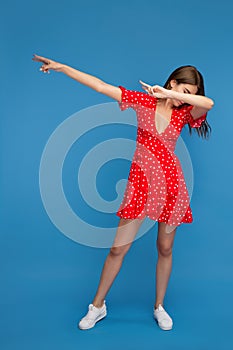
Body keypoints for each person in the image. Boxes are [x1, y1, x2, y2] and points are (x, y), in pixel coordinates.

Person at [32, 54, 214, 331]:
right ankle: (98, 307)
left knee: (165, 248)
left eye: (191, 96)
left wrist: (169, 94)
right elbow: (101, 86)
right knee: (118, 249)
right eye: (185, 92)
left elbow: (209, 104)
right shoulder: (142, 102)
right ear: (174, 82)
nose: (187, 99)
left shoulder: (184, 112)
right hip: (141, 184)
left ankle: (159, 307)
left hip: (170, 186)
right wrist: (63, 68)